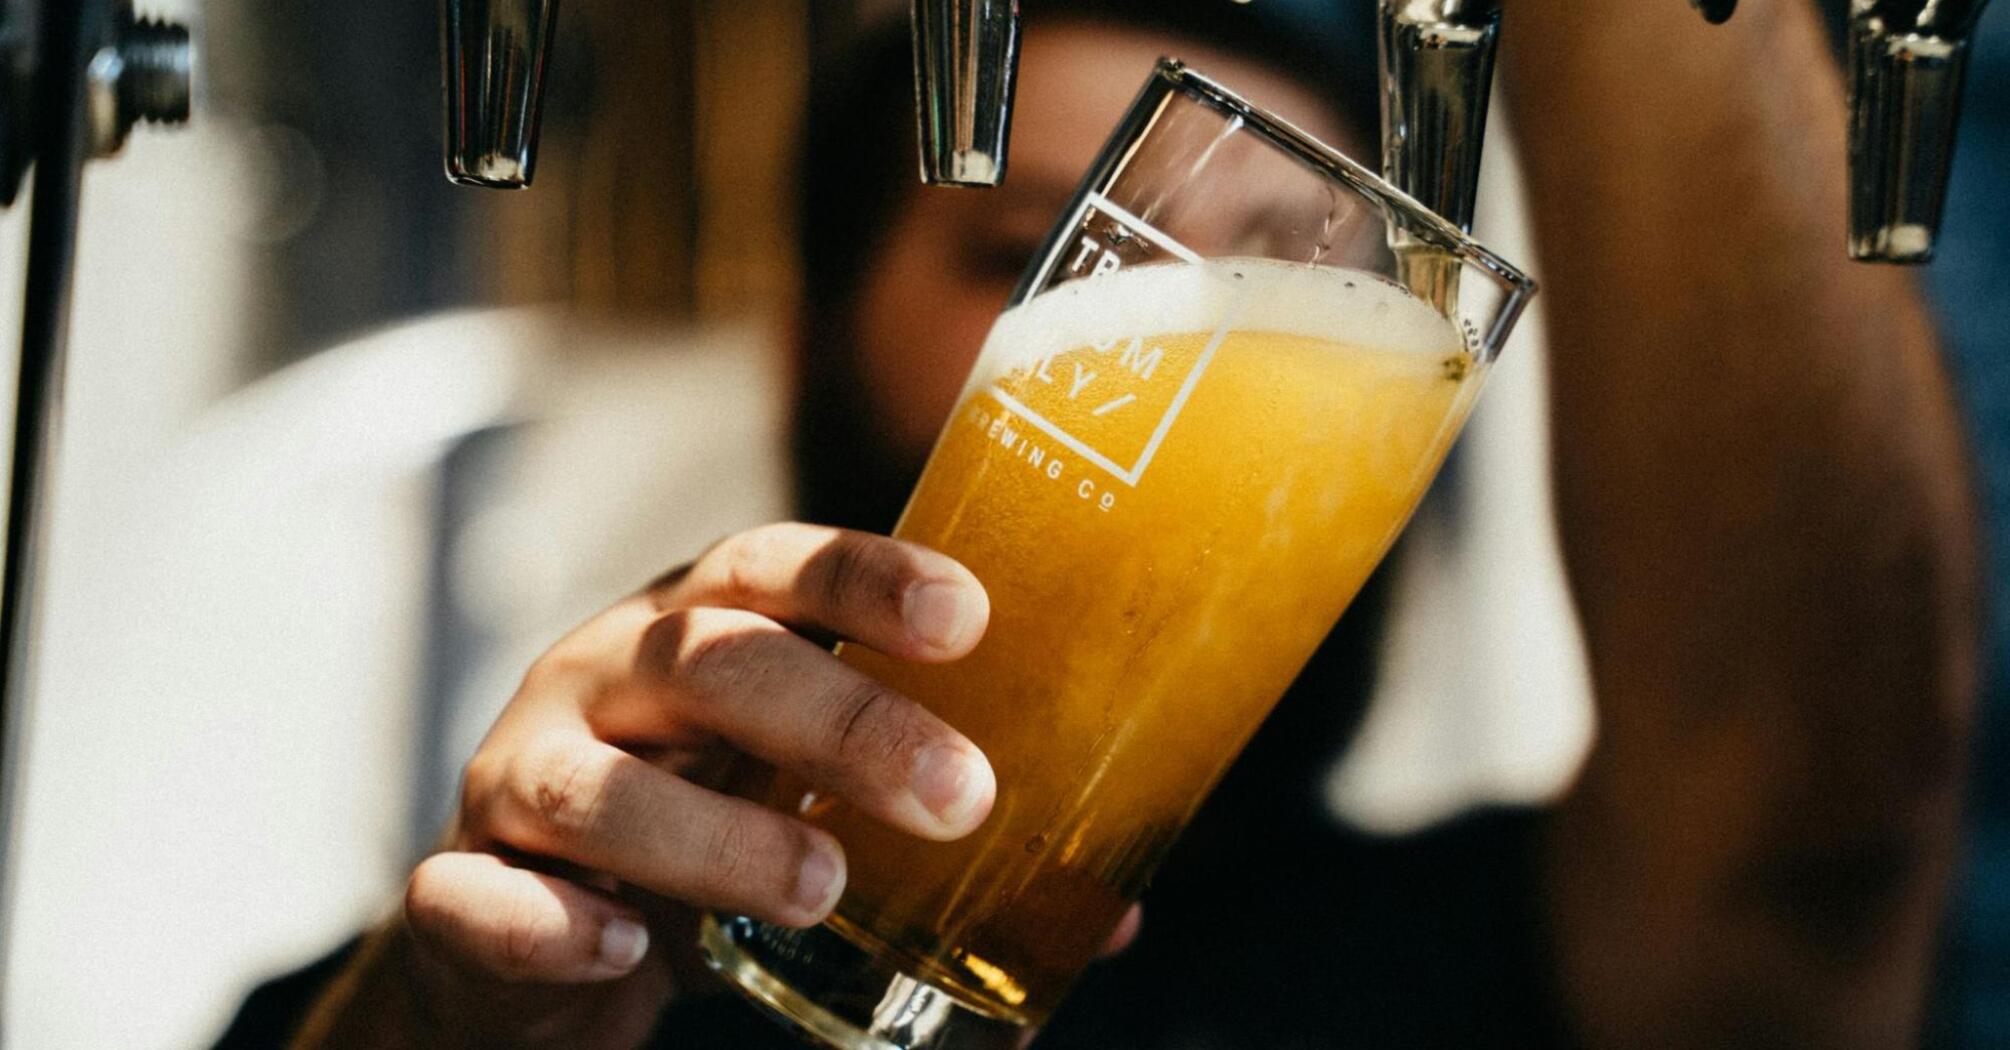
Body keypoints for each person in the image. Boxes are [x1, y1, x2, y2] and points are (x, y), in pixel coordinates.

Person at [222, 1, 1981, 1047]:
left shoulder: (1482, 965)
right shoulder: (488, 991)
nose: (1202, 349)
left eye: (1295, 292)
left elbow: (1806, 834)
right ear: (805, 337)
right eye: (1044, 256)